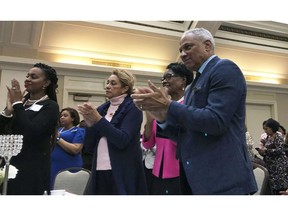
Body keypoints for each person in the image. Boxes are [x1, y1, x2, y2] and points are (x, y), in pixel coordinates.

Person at [131, 27, 257, 195]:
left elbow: (216, 122)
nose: (182, 54)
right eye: (180, 50)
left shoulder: (224, 68)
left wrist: (168, 106)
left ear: (207, 46)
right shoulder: (191, 87)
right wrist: (161, 116)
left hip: (223, 179)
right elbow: (182, 136)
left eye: (188, 47)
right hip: (196, 180)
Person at [77, 69, 147, 195]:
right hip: (99, 168)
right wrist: (89, 124)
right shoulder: (102, 109)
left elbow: (122, 139)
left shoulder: (133, 107)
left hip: (122, 170)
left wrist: (98, 120)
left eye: (113, 83)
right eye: (108, 82)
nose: (108, 86)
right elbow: (89, 147)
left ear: (125, 88)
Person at [0, 63, 59, 195]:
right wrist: (8, 112)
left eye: (33, 77)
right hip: (9, 165)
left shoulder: (50, 106)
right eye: (27, 75)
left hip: (31, 168)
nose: (27, 79)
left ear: (46, 82)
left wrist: (17, 104)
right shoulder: (20, 104)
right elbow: (2, 133)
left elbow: (31, 133)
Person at [142, 62, 193, 195]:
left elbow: (185, 140)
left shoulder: (190, 105)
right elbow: (148, 144)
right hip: (157, 170)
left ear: (183, 80)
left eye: (169, 76)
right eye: (163, 78)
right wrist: (149, 119)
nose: (165, 81)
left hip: (179, 171)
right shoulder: (162, 107)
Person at [50, 107, 85, 188]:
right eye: (61, 116)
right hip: (54, 165)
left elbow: (76, 149)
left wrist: (58, 139)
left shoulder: (78, 131)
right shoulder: (57, 130)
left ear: (72, 118)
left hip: (70, 165)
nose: (62, 117)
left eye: (65, 115)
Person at [256, 118, 288, 195]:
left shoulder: (278, 136)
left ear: (272, 127)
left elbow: (279, 150)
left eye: (266, 129)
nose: (265, 131)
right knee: (272, 186)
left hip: (278, 166)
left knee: (279, 186)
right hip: (271, 166)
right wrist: (263, 150)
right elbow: (270, 148)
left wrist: (266, 151)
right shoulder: (268, 137)